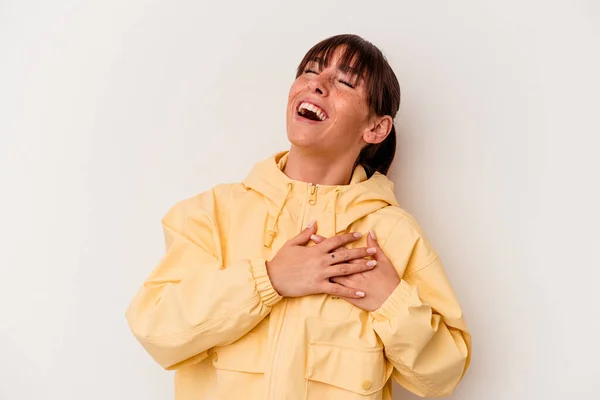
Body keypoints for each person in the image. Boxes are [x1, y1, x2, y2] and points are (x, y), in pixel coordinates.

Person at [126, 34, 471, 400]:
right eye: (309, 71)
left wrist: (392, 301)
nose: (316, 85)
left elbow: (443, 376)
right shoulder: (212, 215)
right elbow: (156, 328)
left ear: (376, 129)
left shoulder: (392, 236)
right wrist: (269, 280)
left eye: (344, 81)